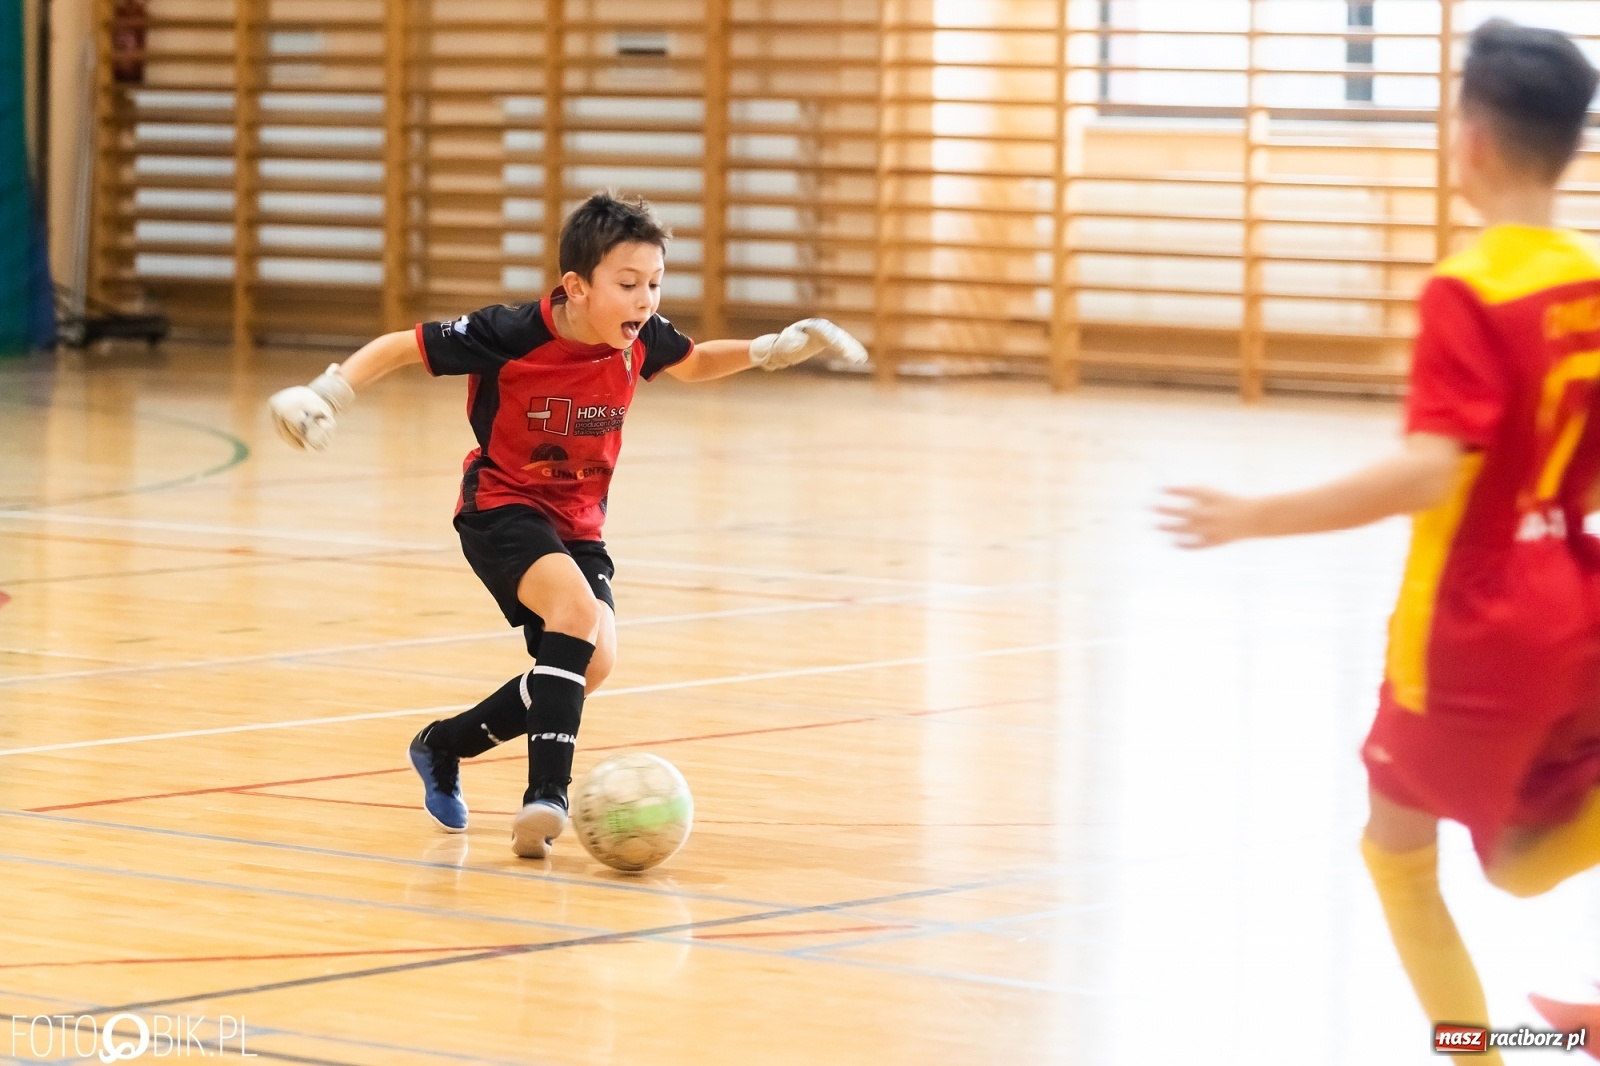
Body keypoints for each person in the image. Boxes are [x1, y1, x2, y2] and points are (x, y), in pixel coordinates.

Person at [1160, 20, 1600, 1063]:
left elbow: (1425, 472)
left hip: (1477, 622)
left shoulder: (1469, 285)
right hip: (1575, 595)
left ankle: (1483, 1056)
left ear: (1472, 142)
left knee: (1398, 851)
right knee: (1522, 853)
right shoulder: (1586, 277)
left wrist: (1253, 515)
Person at [268, 191, 866, 859]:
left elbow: (693, 362)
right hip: (501, 507)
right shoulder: (512, 333)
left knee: (593, 664)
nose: (646, 301)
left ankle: (444, 745)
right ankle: (546, 796)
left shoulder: (640, 338)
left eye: (656, 285)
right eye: (629, 284)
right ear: (576, 287)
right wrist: (329, 392)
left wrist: (770, 349)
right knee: (577, 616)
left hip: (580, 525)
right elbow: (403, 346)